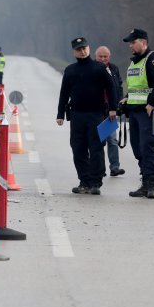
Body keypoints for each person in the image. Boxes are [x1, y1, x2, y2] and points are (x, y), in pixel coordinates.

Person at [57, 37, 118, 195]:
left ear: (89, 49)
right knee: (78, 149)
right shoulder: (70, 70)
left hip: (96, 114)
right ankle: (84, 181)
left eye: (84, 48)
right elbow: (64, 93)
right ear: (74, 52)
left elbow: (111, 87)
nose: (82, 51)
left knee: (96, 148)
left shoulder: (99, 68)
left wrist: (113, 108)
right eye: (79, 49)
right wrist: (60, 114)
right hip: (77, 115)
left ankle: (95, 182)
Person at [120, 28, 154, 199]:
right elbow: (136, 88)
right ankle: (145, 182)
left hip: (148, 112)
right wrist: (126, 99)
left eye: (133, 42)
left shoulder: (153, 58)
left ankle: (152, 186)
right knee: (137, 148)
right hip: (134, 112)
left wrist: (152, 103)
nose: (131, 46)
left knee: (147, 147)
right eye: (130, 43)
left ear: (144, 42)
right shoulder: (135, 62)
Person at [95, 46, 125, 176]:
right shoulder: (92, 69)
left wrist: (119, 104)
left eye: (105, 56)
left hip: (110, 110)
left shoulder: (114, 69)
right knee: (97, 141)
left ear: (109, 57)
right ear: (96, 57)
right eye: (100, 57)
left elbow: (118, 87)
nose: (103, 59)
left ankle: (115, 167)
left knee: (112, 139)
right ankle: (99, 169)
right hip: (95, 110)